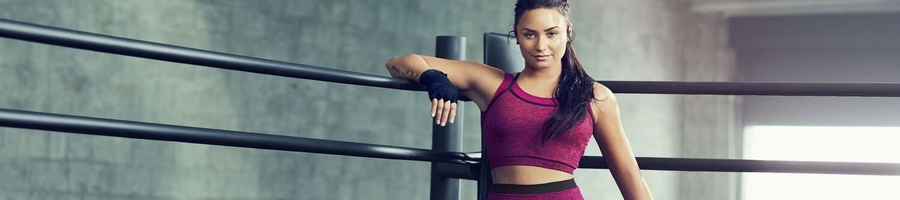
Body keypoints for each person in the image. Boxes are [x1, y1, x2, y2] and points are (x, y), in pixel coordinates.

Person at [385, 0, 653, 199]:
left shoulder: (596, 97)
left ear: (568, 32)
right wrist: (435, 79)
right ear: (517, 33)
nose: (540, 46)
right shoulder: (492, 83)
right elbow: (399, 62)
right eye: (529, 34)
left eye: (551, 33)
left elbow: (629, 174)